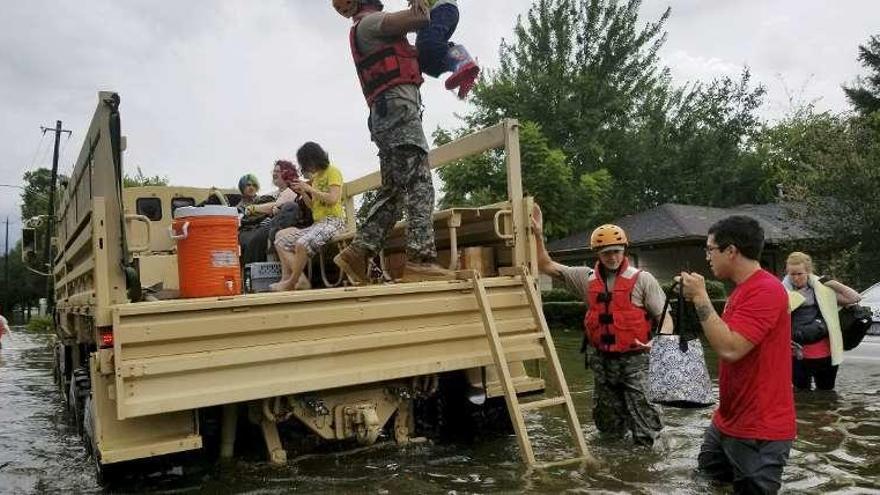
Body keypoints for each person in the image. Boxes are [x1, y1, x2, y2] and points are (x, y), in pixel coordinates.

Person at [332, 0, 450, 284]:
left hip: (387, 114)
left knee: (394, 192)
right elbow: (421, 18)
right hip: (398, 112)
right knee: (419, 182)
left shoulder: (366, 27)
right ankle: (420, 261)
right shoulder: (371, 23)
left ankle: (357, 253)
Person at [532, 206, 669, 446]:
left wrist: (659, 340)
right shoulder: (585, 279)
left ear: (624, 250)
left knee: (648, 426)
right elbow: (545, 265)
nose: (613, 257)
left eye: (616, 251)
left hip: (637, 361)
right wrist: (538, 234)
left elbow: (665, 316)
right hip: (603, 364)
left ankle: (648, 471)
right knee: (607, 429)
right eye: (606, 253)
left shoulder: (643, 279)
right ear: (597, 253)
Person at [680, 215, 795, 494]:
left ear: (731, 251)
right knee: (707, 483)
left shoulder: (766, 290)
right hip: (727, 421)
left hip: (759, 431)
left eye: (710, 249)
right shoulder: (743, 290)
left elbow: (730, 348)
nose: (707, 257)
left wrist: (700, 297)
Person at [271, 143, 347, 291]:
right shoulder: (317, 178)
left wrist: (309, 188)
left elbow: (333, 198)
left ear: (313, 159)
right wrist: (304, 192)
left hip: (334, 221)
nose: (305, 168)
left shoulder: (333, 172)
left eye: (305, 164)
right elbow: (313, 206)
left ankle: (293, 282)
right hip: (319, 223)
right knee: (280, 240)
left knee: (302, 243)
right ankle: (295, 280)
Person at [783, 251, 861, 391]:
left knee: (827, 396)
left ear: (808, 272)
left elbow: (854, 298)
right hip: (797, 355)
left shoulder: (823, 290)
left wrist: (834, 284)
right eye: (792, 274)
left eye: (799, 274)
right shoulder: (780, 292)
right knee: (802, 398)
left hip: (826, 354)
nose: (795, 278)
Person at [416, 0, 481, 99]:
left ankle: (463, 61)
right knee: (425, 62)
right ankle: (464, 75)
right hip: (441, 13)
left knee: (428, 42)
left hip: (443, 8)